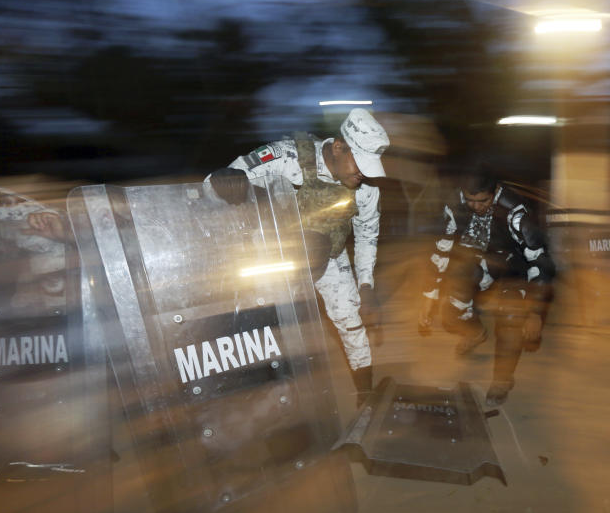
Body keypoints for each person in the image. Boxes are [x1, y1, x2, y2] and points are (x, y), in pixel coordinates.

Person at [207, 108, 389, 404]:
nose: (364, 173)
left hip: (330, 256)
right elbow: (215, 184)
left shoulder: (366, 189)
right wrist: (226, 182)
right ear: (339, 147)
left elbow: (368, 235)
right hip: (276, 256)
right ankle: (255, 392)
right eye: (360, 162)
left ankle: (366, 391)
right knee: (266, 324)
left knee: (350, 320)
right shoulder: (285, 158)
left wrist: (366, 286)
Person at [417, 165, 555, 405]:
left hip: (515, 266)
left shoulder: (516, 213)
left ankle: (502, 378)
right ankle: (475, 333)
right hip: (479, 262)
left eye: (482, 201)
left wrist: (535, 311)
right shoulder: (455, 205)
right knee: (451, 311)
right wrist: (428, 299)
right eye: (470, 201)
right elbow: (441, 250)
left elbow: (541, 262)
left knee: (511, 316)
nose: (476, 207)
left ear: (496, 191)